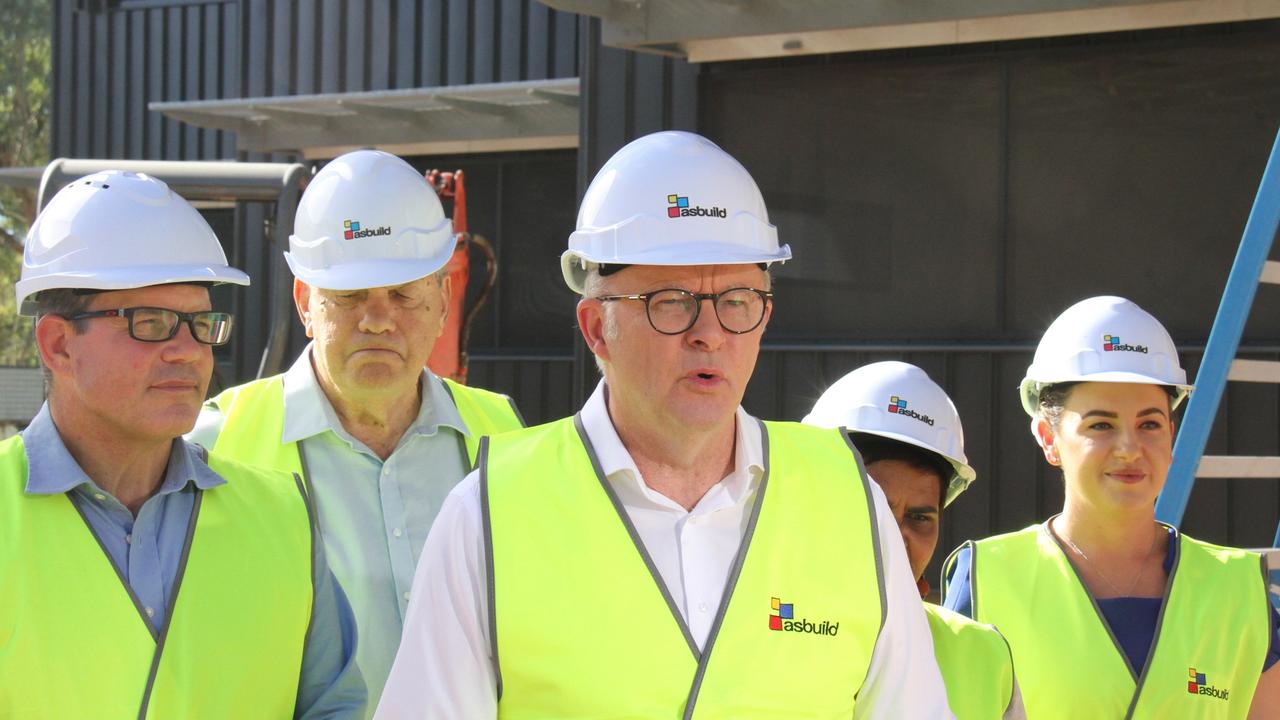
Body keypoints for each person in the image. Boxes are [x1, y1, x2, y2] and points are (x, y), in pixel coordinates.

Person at [376, 130, 952, 718]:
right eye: (671, 300)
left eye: (736, 300)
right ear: (597, 328)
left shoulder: (850, 502)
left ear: (764, 318)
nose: (710, 332)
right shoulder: (487, 516)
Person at [1, 170, 364, 718]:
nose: (189, 352)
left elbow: (332, 705)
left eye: (201, 324)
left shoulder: (283, 519)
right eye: (151, 323)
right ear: (58, 345)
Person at [188, 148, 525, 713]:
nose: (377, 318)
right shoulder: (213, 445)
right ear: (305, 303)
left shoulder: (505, 434)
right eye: (348, 297)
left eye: (402, 294)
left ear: (443, 302)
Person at [942, 295, 1280, 718]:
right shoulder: (985, 579)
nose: (1129, 448)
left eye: (1149, 424)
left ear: (1171, 435)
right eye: (1101, 425)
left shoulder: (1239, 591)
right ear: (1049, 438)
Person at [805, 360, 1025, 719]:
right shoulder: (754, 631)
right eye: (875, 509)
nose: (897, 536)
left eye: (920, 517)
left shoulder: (983, 655)